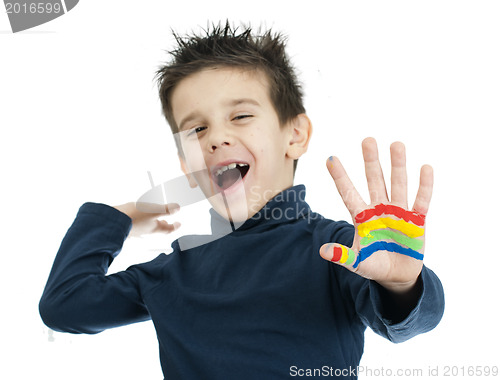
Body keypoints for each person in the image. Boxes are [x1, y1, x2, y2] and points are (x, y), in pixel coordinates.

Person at [39, 22, 445, 379]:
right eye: (197, 128)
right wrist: (120, 217)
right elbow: (64, 306)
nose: (215, 137)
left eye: (241, 116)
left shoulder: (336, 250)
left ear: (295, 134)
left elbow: (406, 321)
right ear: (186, 164)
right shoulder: (171, 273)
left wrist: (400, 283)